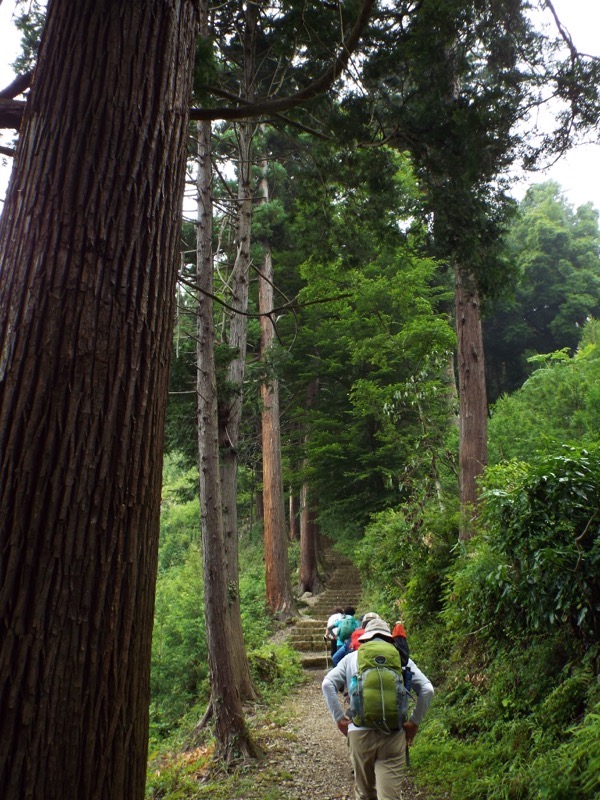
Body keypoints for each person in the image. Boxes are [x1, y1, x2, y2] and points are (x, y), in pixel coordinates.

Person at [322, 618, 434, 800]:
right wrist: (414, 722)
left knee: (365, 794)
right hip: (393, 735)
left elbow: (327, 684)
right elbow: (427, 690)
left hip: (360, 734)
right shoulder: (401, 659)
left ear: (364, 639)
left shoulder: (352, 658)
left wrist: (340, 719)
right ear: (389, 640)